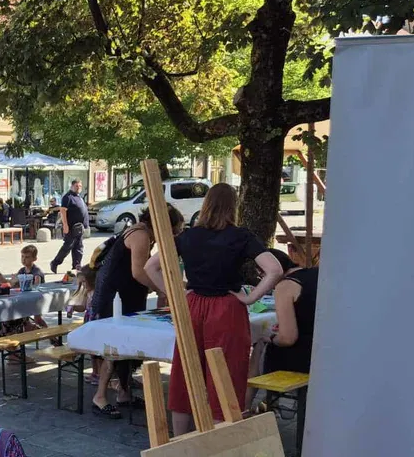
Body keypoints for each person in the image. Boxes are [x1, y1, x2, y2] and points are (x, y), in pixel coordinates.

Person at [145, 183, 283, 433]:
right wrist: (250, 299)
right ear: (234, 206)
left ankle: (181, 442)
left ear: (206, 204)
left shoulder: (186, 236)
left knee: (186, 370)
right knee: (226, 374)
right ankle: (220, 441)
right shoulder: (241, 236)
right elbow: (275, 269)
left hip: (193, 305)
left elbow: (150, 267)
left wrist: (177, 292)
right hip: (227, 308)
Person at [89, 205, 185, 417]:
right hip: (116, 297)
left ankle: (124, 393)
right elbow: (138, 272)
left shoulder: (141, 232)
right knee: (115, 345)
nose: (174, 237)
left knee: (128, 344)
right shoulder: (141, 235)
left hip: (126, 295)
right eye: (174, 232)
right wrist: (163, 289)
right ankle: (100, 396)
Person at [263, 255, 318, 376]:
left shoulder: (286, 285)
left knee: (261, 345)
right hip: (327, 350)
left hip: (305, 358)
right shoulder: (317, 273)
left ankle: (247, 393)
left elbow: (288, 339)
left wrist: (270, 338)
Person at [50, 179, 89, 273]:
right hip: (71, 227)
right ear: (72, 186)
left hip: (79, 227)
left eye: (80, 186)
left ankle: (76, 266)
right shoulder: (68, 197)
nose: (78, 188)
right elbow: (63, 211)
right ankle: (55, 263)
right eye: (76, 186)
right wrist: (65, 225)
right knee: (67, 246)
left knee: (79, 247)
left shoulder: (79, 197)